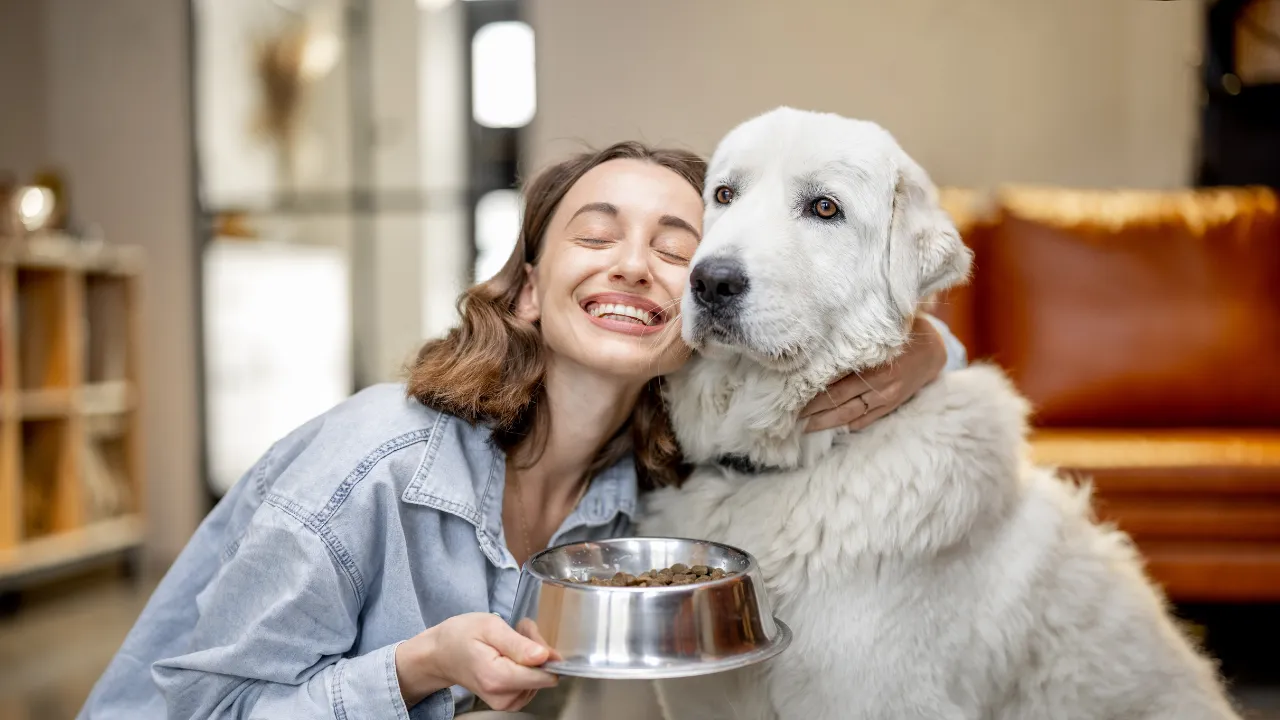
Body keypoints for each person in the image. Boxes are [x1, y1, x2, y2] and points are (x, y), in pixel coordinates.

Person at [79, 142, 967, 720]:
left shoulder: (655, 490)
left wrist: (929, 345)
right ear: (530, 289)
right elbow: (201, 710)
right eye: (597, 233)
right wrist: (420, 666)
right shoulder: (373, 462)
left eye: (673, 247)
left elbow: (834, 338)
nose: (632, 264)